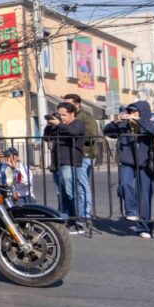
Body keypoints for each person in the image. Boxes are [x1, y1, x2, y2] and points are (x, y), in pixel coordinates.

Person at [104, 103, 154, 237]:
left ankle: (144, 227)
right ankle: (131, 211)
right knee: (124, 184)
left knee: (144, 195)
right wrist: (116, 121)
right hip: (127, 162)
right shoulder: (124, 125)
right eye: (130, 111)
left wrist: (139, 121)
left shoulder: (148, 123)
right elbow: (107, 131)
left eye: (134, 111)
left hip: (145, 163)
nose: (131, 114)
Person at [49, 102, 86, 233]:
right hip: (57, 163)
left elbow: (73, 132)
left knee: (72, 193)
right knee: (61, 194)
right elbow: (47, 138)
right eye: (59, 115)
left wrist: (59, 124)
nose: (61, 117)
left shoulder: (78, 124)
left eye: (63, 115)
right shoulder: (60, 126)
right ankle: (66, 220)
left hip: (70, 162)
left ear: (72, 114)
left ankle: (79, 222)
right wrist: (50, 125)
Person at [63, 94, 100, 221]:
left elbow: (92, 136)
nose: (66, 106)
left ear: (77, 104)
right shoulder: (65, 117)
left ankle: (84, 216)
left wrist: (74, 134)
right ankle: (73, 215)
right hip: (71, 154)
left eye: (69, 104)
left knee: (81, 186)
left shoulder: (86, 117)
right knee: (69, 188)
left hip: (84, 154)